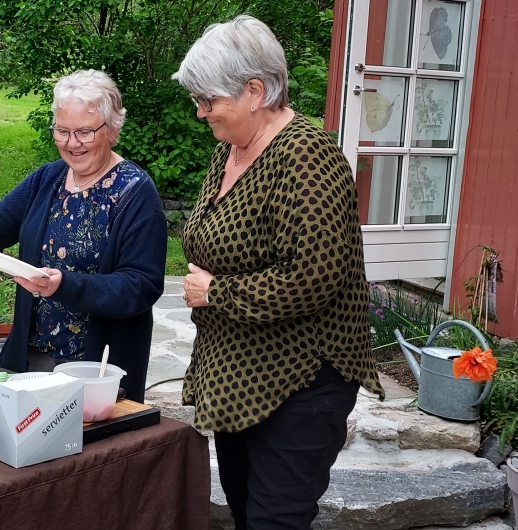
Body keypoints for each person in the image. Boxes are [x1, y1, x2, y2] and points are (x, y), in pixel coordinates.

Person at [172, 15, 385, 529]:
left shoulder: (307, 155)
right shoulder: (231, 150)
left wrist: (215, 292)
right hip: (239, 375)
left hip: (302, 380)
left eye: (209, 100)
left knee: (276, 520)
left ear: (255, 90)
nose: (201, 113)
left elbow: (313, 276)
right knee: (246, 511)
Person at [0, 69, 167, 402]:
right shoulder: (49, 178)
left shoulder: (135, 193)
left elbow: (140, 287)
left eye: (84, 132)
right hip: (29, 364)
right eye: (62, 131)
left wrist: (64, 285)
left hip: (96, 373)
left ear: (112, 130)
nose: (71, 143)